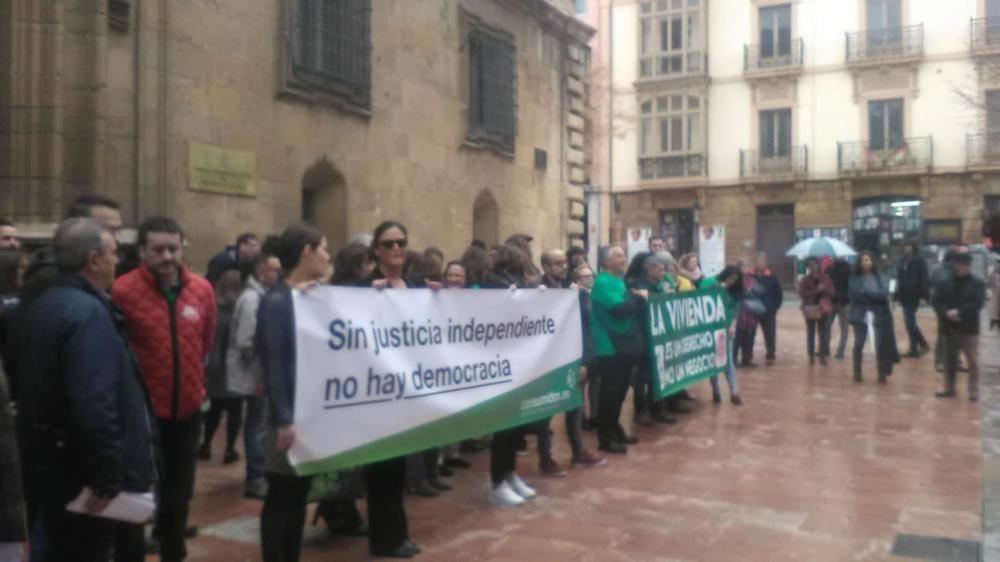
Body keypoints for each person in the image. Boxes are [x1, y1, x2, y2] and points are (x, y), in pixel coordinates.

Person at [17, 218, 156, 562]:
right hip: (82, 477)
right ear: (93, 260)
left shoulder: (41, 302)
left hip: (50, 466)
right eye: (112, 253)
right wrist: (105, 478)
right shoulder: (88, 312)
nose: (117, 261)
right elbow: (93, 402)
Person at [111, 216, 216, 562]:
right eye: (158, 250)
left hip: (186, 411)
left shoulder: (201, 290)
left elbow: (205, 341)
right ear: (143, 251)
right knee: (138, 491)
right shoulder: (123, 290)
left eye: (174, 248)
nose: (168, 257)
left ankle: (174, 551)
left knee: (179, 492)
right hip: (143, 414)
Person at [256, 224, 329, 562]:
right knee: (282, 494)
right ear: (306, 251)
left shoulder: (306, 297)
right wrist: (283, 419)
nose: (327, 256)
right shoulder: (276, 301)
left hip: (308, 411)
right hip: (287, 416)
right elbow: (273, 361)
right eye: (323, 249)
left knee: (298, 494)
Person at [364, 221, 424, 557]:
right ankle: (383, 539)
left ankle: (398, 533)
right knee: (381, 468)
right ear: (377, 249)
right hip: (377, 390)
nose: (396, 249)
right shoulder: (365, 286)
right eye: (388, 244)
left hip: (407, 388)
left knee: (399, 466)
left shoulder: (412, 286)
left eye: (401, 242)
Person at [483, 244, 542, 506]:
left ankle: (510, 473)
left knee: (514, 425)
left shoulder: (515, 283)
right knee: (503, 427)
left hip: (517, 360)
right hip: (499, 360)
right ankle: (498, 481)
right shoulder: (493, 284)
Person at [227, 251, 282, 500]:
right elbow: (246, 340)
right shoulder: (252, 299)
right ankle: (256, 476)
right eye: (275, 270)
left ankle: (259, 472)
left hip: (260, 371)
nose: (278, 275)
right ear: (262, 272)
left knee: (258, 423)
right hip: (255, 372)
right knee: (256, 425)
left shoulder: (260, 295)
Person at [591, 245, 645, 454]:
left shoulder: (617, 280)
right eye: (619, 257)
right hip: (609, 345)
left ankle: (614, 428)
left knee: (621, 391)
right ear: (606, 262)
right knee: (610, 392)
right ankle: (605, 438)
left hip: (622, 343)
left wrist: (632, 297)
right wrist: (638, 296)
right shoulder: (603, 282)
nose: (624, 260)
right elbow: (620, 310)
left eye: (624, 256)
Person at [199, 270, 244, 465]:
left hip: (218, 370)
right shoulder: (238, 313)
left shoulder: (216, 312)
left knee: (214, 410)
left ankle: (206, 444)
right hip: (236, 369)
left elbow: (212, 346)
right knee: (235, 409)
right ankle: (229, 449)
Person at [630, 255, 676, 425]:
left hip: (658, 338)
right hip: (644, 337)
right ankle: (641, 412)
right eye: (661, 270)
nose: (664, 273)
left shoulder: (659, 286)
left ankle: (657, 409)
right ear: (650, 270)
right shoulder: (640, 287)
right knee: (642, 377)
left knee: (657, 375)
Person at [933, 252, 985, 400]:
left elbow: (978, 303)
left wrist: (959, 311)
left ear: (969, 266)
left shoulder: (977, 283)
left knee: (972, 360)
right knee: (949, 359)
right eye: (959, 264)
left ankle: (973, 390)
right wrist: (945, 312)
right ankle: (949, 388)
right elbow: (936, 301)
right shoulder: (944, 282)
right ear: (954, 265)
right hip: (949, 327)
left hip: (969, 327)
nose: (962, 268)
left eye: (965, 265)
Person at [848, 252, 900, 383]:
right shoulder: (855, 278)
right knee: (859, 343)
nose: (866, 263)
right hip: (860, 315)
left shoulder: (879, 276)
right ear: (859, 263)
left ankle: (881, 372)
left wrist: (868, 293)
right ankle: (857, 372)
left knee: (880, 344)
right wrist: (875, 295)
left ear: (872, 262)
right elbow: (856, 295)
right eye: (863, 260)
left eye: (868, 260)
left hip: (879, 314)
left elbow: (884, 294)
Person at [702, 266, 743, 405]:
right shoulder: (709, 282)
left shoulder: (735, 290)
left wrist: (732, 325)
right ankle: (715, 391)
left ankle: (734, 391)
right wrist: (719, 289)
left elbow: (735, 308)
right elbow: (700, 299)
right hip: (709, 328)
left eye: (735, 280)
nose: (732, 282)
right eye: (730, 279)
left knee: (727, 359)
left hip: (725, 329)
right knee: (713, 360)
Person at [894, 242, 930, 358]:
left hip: (914, 295)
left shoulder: (919, 260)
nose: (906, 247)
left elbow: (924, 279)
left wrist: (924, 296)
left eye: (909, 245)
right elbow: (898, 280)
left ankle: (923, 344)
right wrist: (896, 296)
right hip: (904, 295)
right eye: (905, 245)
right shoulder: (902, 260)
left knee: (910, 323)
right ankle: (913, 349)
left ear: (913, 246)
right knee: (909, 322)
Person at [798, 258, 835, 366]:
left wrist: (824, 289)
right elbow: (802, 294)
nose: (813, 267)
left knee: (823, 333)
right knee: (811, 333)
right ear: (808, 267)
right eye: (810, 265)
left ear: (819, 266)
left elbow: (832, 293)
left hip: (823, 309)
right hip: (810, 308)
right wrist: (816, 290)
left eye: (815, 264)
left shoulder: (826, 278)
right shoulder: (805, 279)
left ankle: (822, 355)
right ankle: (811, 356)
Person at [752, 253, 783, 365]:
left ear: (765, 264)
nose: (760, 264)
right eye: (758, 261)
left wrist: (774, 307)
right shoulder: (750, 277)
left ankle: (771, 353)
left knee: (770, 333)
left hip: (768, 311)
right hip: (753, 311)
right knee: (751, 333)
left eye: (762, 262)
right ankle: (748, 355)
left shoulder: (772, 277)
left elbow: (778, 295)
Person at [828, 257, 852, 359]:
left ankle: (840, 351)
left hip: (844, 302)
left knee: (844, 328)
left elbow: (852, 285)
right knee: (826, 326)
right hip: (832, 301)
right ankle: (825, 348)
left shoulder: (849, 269)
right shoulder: (830, 268)